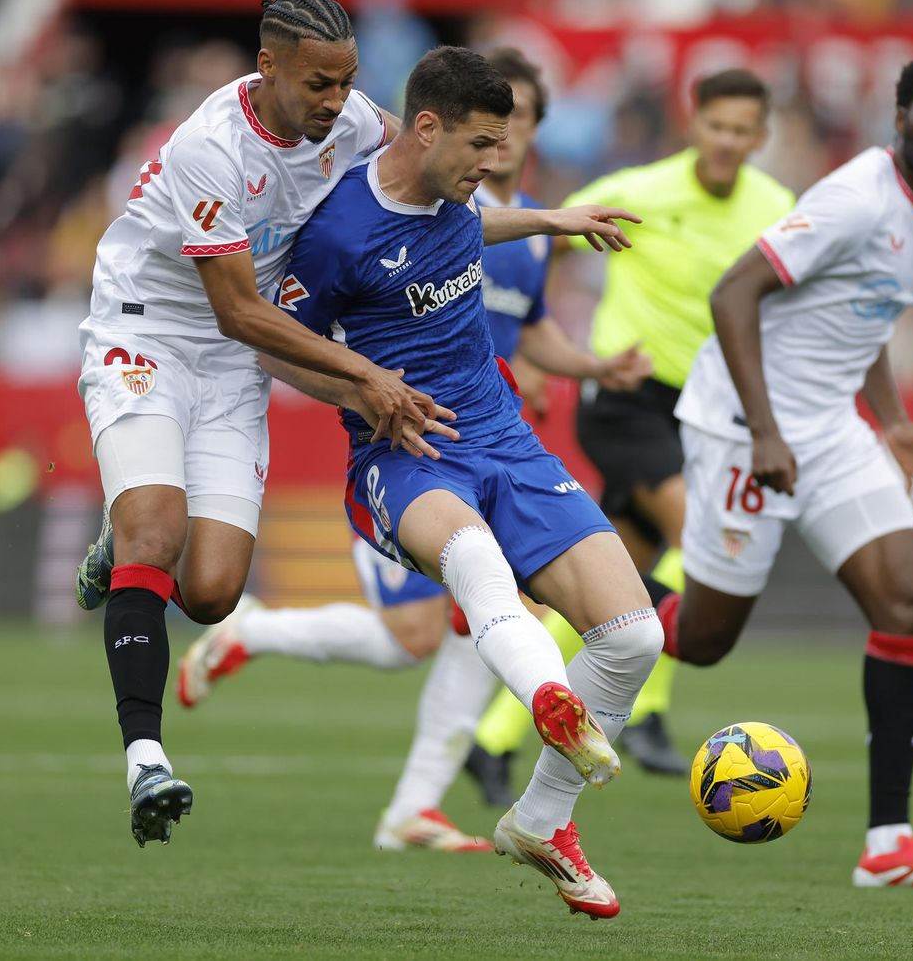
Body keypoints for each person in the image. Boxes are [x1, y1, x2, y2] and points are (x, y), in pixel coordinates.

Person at [72, 0, 640, 849]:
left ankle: (137, 549)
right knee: (161, 531)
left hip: (243, 359)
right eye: (318, 85)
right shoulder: (208, 150)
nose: (337, 103)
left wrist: (547, 220)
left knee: (215, 590)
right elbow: (238, 313)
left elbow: (432, 202)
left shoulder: (360, 123)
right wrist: (368, 375)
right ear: (267, 68)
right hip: (151, 329)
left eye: (346, 83)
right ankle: (147, 756)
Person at [251, 45, 662, 919]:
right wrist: (368, 390)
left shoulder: (459, 196)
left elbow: (476, 228)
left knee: (633, 640)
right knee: (475, 560)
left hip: (505, 440)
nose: (491, 164)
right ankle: (548, 695)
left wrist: (557, 220)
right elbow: (275, 344)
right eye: (480, 146)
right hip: (404, 455)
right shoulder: (336, 233)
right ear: (426, 127)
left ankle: (543, 822)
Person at [654, 53, 913, 890]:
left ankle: (887, 846)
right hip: (746, 425)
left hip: (831, 429)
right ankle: (578, 590)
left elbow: (864, 316)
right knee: (702, 642)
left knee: (909, 604)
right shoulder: (855, 197)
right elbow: (734, 294)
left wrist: (895, 420)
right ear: (900, 115)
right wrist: (766, 431)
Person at [464, 68, 796, 787]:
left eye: (744, 131)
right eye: (717, 126)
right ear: (693, 122)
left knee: (603, 588)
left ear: (761, 137)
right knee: (699, 538)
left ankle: (491, 740)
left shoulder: (776, 208)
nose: (728, 142)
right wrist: (540, 349)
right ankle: (645, 714)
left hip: (702, 412)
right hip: (626, 398)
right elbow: (534, 243)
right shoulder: (641, 193)